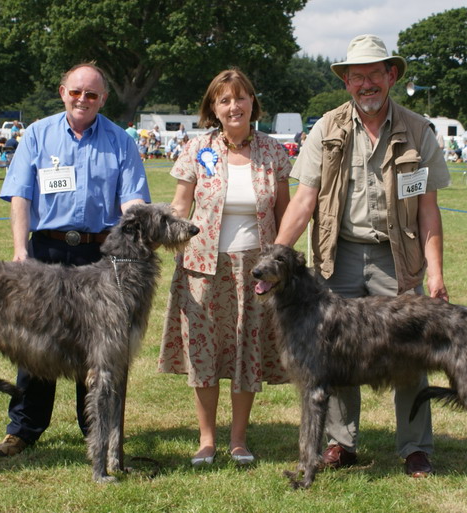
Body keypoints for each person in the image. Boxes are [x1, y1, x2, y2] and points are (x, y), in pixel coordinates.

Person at [274, 34, 450, 478]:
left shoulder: (418, 130)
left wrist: (435, 276)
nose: (366, 84)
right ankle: (341, 443)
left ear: (391, 76)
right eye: (357, 77)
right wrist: (278, 252)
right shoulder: (326, 128)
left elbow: (428, 209)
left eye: (374, 74)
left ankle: (415, 447)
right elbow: (303, 200)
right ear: (347, 82)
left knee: (409, 352)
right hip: (339, 255)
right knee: (332, 351)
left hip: (397, 256)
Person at [0, 61, 150, 457]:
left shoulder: (120, 141)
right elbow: (20, 196)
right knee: (37, 342)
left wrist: (138, 228)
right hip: (45, 251)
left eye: (92, 94)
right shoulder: (37, 135)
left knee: (100, 346)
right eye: (76, 91)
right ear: (63, 91)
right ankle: (24, 429)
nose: (83, 99)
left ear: (103, 99)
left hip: (100, 254)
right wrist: (19, 250)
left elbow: (132, 199)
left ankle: (96, 430)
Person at [158, 68, 291, 466]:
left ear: (253, 102)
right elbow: (181, 208)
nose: (234, 106)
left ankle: (238, 440)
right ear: (213, 108)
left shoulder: (274, 152)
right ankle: (206, 439)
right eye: (224, 100)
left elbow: (285, 211)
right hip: (202, 266)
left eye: (241, 97)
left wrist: (282, 260)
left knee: (245, 351)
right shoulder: (196, 148)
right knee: (205, 354)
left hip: (256, 269)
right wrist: (160, 236)